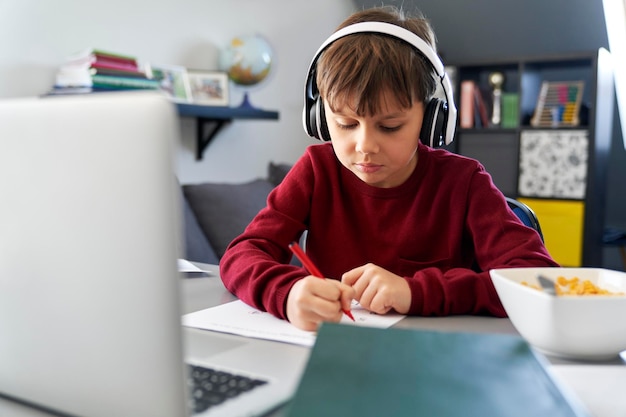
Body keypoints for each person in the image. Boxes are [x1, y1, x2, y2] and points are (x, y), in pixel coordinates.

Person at [219, 5, 558, 331]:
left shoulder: (465, 183)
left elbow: (538, 280)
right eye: (346, 124)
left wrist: (415, 292)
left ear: (431, 120)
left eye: (390, 126)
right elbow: (241, 255)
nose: (365, 145)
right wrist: (287, 293)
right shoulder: (316, 171)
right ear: (321, 118)